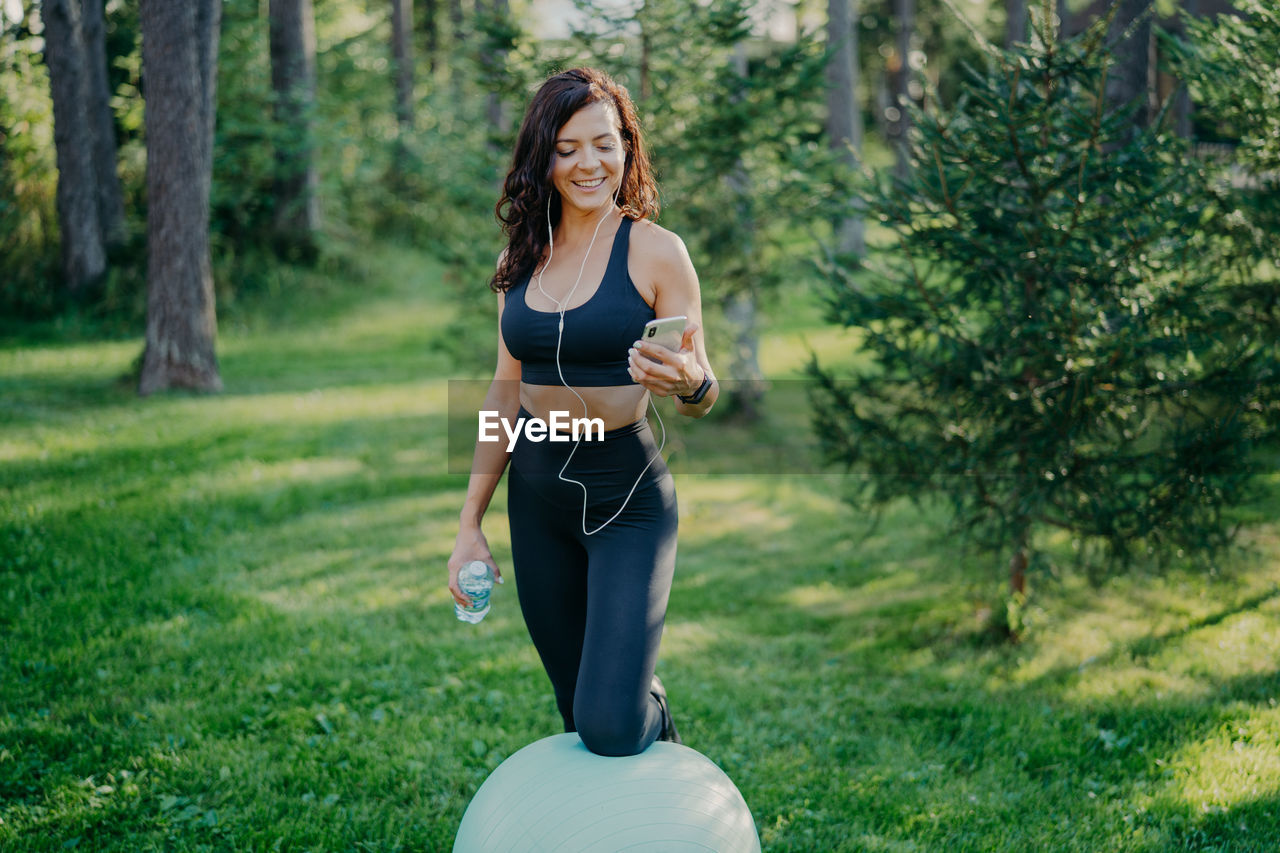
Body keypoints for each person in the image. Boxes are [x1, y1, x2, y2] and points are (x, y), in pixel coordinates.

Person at [447, 67, 718, 757]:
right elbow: (503, 392)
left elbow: (704, 390)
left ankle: (647, 706)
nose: (587, 163)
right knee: (576, 712)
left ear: (627, 145)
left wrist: (688, 381)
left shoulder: (657, 251)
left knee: (609, 721)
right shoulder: (521, 255)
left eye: (603, 143)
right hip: (537, 497)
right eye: (566, 148)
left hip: (626, 493)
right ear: (543, 157)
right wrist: (468, 523)